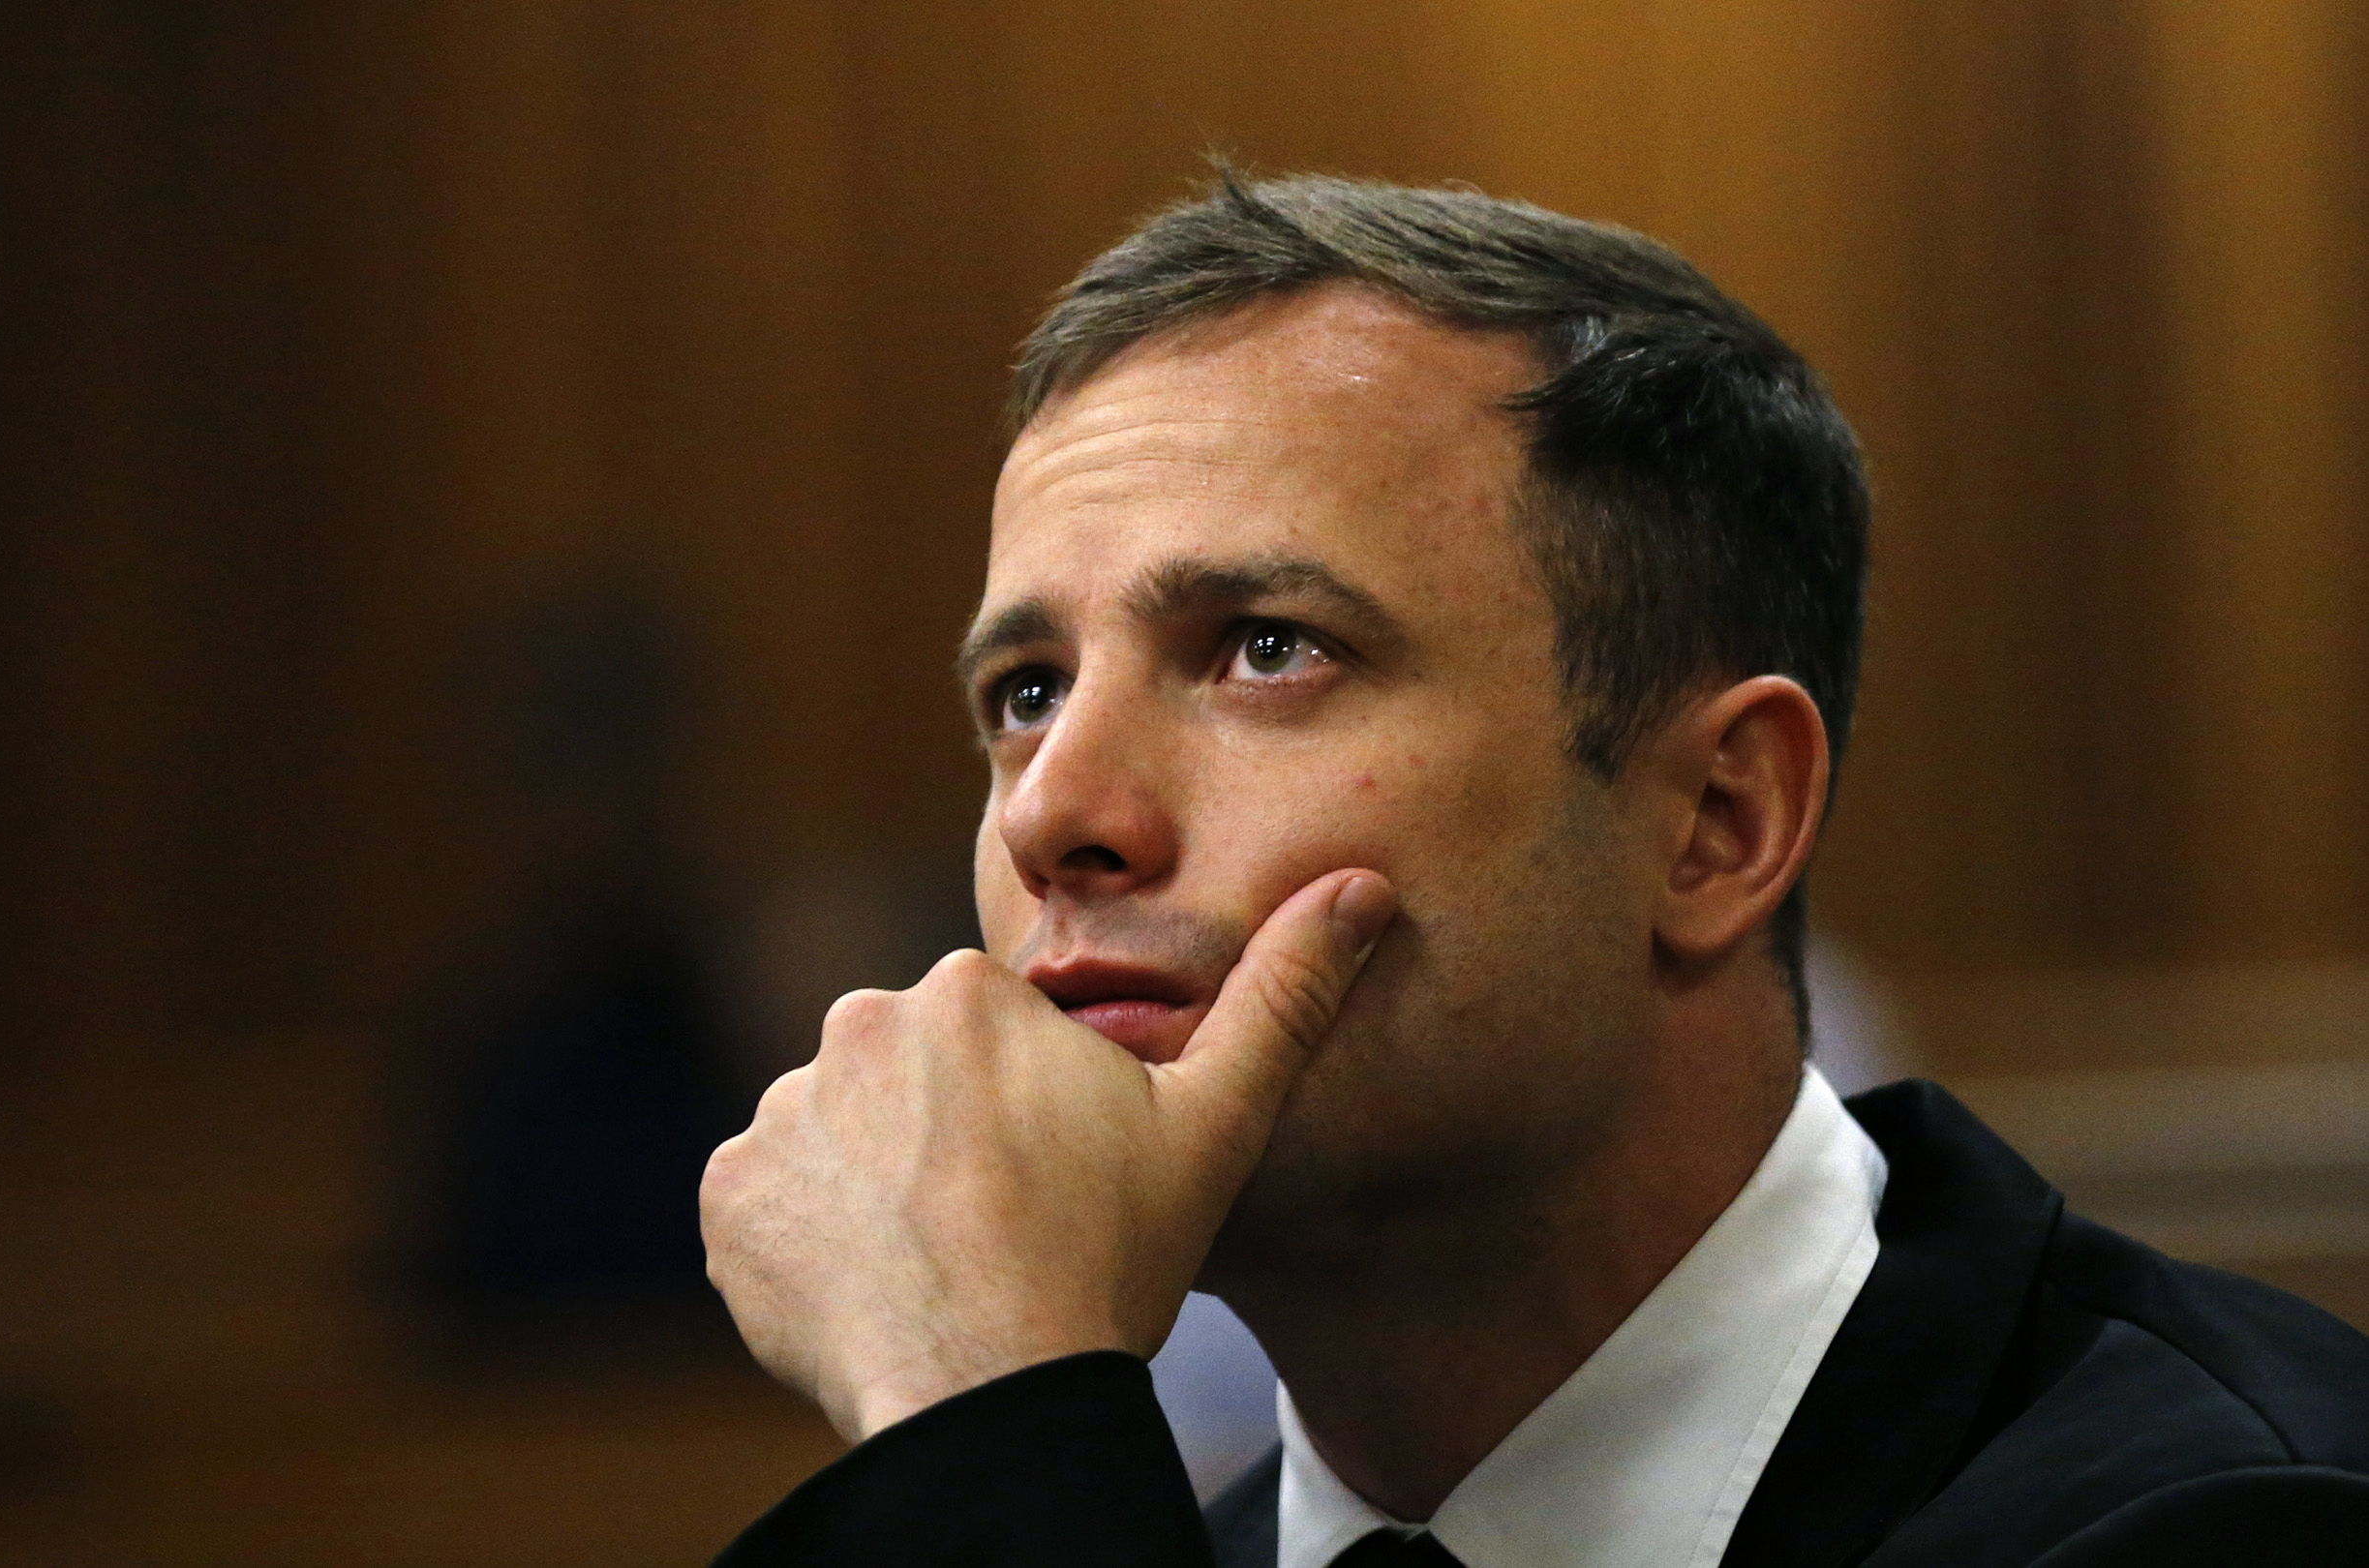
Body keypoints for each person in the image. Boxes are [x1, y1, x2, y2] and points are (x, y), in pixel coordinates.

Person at [697, 173, 2369, 1566]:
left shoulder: (2232, 1518)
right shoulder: (1108, 1528)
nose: (1056, 810)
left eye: (1267, 647)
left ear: (1715, 821)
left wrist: (977, 1414)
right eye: (1027, 692)